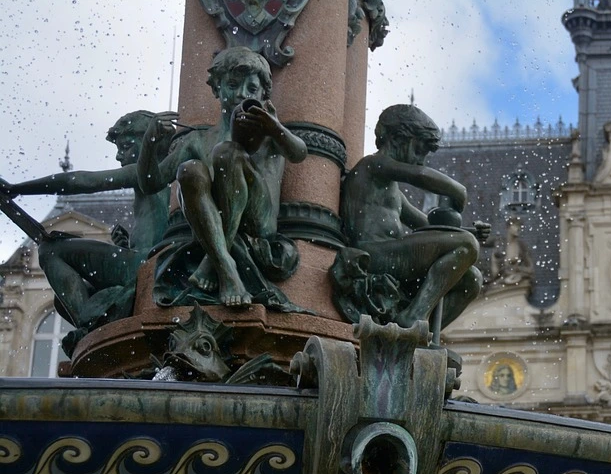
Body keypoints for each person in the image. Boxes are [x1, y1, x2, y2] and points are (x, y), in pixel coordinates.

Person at [139, 47, 307, 309]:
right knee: (189, 170)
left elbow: (299, 153)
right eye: (232, 85)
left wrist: (275, 128)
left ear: (263, 94)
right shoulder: (198, 139)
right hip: (211, 221)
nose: (241, 94)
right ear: (217, 89)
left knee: (227, 153)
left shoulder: (268, 132)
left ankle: (212, 262)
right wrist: (149, 143)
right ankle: (225, 264)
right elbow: (151, 182)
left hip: (258, 222)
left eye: (251, 89)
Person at [1, 110, 172, 336]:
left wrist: (17, 189)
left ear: (149, 140)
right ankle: (98, 321)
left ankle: (90, 326)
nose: (119, 157)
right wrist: (128, 244)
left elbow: (83, 181)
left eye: (125, 147)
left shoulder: (147, 172)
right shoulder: (170, 174)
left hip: (141, 265)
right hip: (150, 263)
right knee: (63, 301)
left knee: (52, 251)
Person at [334, 104, 488, 329]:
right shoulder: (371, 165)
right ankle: (414, 317)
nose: (421, 160)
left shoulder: (393, 191)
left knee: (472, 280)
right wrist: (457, 190)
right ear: (398, 138)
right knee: (466, 245)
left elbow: (427, 226)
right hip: (371, 254)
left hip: (392, 256)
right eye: (419, 150)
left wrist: (471, 232)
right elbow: (420, 175)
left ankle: (419, 334)